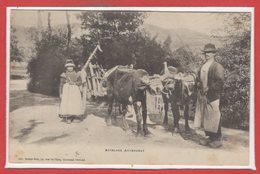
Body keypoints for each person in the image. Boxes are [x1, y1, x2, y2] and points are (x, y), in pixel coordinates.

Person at [194, 43, 225, 148]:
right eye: (206, 52)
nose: (207, 54)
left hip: (213, 96)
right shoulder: (203, 66)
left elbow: (220, 81)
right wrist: (198, 84)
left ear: (214, 54)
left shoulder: (217, 66)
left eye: (209, 52)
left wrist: (209, 88)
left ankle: (217, 139)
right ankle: (210, 138)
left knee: (215, 116)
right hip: (204, 96)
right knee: (207, 117)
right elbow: (198, 80)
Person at [59, 59, 84, 123]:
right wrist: (61, 93)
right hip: (67, 90)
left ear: (73, 67)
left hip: (75, 90)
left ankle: (75, 116)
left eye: (71, 66)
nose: (70, 68)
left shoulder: (77, 74)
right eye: (68, 66)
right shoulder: (64, 74)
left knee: (75, 102)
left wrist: (75, 83)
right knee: (68, 103)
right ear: (66, 67)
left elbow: (80, 82)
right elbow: (61, 84)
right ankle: (68, 117)